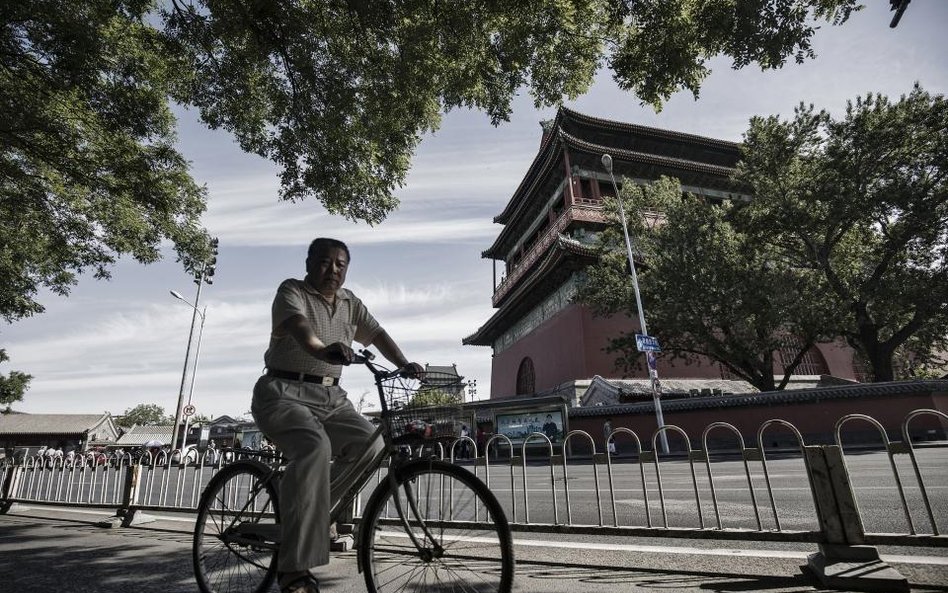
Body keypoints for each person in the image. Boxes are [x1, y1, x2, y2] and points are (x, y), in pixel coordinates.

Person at [251, 237, 423, 593]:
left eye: (341, 264)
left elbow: (376, 334)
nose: (333, 270)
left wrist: (404, 364)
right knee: (315, 448)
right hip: (283, 392)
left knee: (372, 447)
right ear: (309, 262)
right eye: (325, 262)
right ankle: (293, 571)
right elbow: (300, 330)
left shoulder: (349, 302)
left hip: (332, 396)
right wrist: (322, 349)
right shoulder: (292, 291)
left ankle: (310, 514)